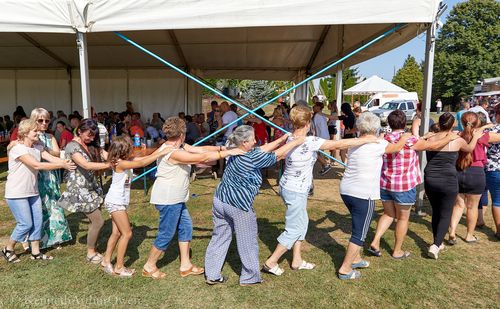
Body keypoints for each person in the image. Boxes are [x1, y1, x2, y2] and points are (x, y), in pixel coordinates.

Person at [263, 106, 378, 276]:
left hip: (289, 187)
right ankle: (271, 261)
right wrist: (366, 140)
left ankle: (297, 260)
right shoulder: (310, 141)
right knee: (294, 228)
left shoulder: (290, 137)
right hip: (295, 190)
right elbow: (340, 143)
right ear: (308, 123)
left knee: (302, 223)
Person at [142, 117, 244, 280]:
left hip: (176, 198)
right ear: (182, 133)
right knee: (166, 233)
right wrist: (230, 152)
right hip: (168, 199)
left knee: (186, 228)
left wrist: (223, 147)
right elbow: (201, 158)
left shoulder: (179, 145)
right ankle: (149, 265)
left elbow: (200, 150)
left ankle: (185, 265)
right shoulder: (173, 152)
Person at [204, 125, 305, 286]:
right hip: (238, 205)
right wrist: (295, 142)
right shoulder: (250, 158)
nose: (255, 141)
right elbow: (277, 155)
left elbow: (261, 149)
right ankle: (250, 277)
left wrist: (282, 139)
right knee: (248, 241)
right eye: (252, 139)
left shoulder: (235, 148)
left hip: (220, 200)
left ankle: (212, 274)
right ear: (244, 142)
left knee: (220, 237)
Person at [368, 110, 458, 259]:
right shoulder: (410, 140)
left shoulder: (384, 139)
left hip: (385, 184)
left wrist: (424, 137)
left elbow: (422, 142)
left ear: (390, 123)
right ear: (405, 122)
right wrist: (450, 138)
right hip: (404, 185)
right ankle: (397, 251)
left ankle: (375, 241)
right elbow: (434, 146)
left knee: (388, 214)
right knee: (402, 218)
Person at [336, 112, 411, 280]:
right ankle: (345, 269)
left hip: (346, 190)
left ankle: (355, 259)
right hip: (363, 194)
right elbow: (397, 148)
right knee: (359, 233)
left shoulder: (355, 142)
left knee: (357, 225)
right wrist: (406, 136)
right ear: (376, 127)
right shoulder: (379, 143)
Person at [1, 119, 75, 263]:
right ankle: (8, 248)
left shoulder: (37, 146)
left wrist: (63, 163)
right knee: (25, 224)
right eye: (35, 131)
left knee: (38, 222)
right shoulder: (18, 149)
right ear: (25, 133)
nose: (38, 133)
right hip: (17, 192)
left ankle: (36, 252)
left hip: (32, 191)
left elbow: (50, 158)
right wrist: (63, 165)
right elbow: (37, 165)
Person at [101, 136, 172, 277]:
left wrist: (160, 149)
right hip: (116, 202)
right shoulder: (121, 163)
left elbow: (142, 159)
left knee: (116, 233)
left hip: (116, 201)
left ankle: (106, 261)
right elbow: (143, 162)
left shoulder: (123, 161)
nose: (133, 150)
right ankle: (119, 267)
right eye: (130, 148)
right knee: (127, 234)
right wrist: (160, 153)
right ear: (123, 151)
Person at [424, 113, 483, 259]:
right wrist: (476, 136)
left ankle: (437, 241)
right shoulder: (457, 140)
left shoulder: (430, 138)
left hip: (430, 179)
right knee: (445, 213)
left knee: (437, 211)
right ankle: (436, 245)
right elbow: (469, 149)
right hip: (448, 180)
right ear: (452, 125)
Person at [57, 119, 114, 263]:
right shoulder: (71, 146)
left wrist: (119, 159)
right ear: (80, 131)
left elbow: (106, 155)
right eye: (89, 135)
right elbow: (85, 165)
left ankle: (92, 246)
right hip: (79, 190)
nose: (92, 138)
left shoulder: (91, 145)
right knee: (98, 221)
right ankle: (90, 252)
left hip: (91, 187)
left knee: (94, 220)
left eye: (94, 135)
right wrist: (108, 165)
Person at [448, 112, 500, 244]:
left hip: (459, 171)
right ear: (477, 122)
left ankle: (452, 232)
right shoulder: (483, 137)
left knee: (458, 205)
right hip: (476, 173)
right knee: (472, 207)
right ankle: (469, 235)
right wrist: (484, 128)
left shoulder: (457, 135)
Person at [30, 108, 73, 249]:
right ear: (34, 120)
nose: (44, 123)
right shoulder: (30, 136)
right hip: (37, 175)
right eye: (40, 120)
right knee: (39, 207)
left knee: (54, 205)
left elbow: (56, 152)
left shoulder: (50, 137)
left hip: (51, 174)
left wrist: (46, 150)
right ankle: (39, 240)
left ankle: (57, 238)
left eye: (47, 120)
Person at [485, 104, 500, 238]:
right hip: (494, 169)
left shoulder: (491, 130)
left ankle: (499, 230)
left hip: (493, 168)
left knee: (497, 200)